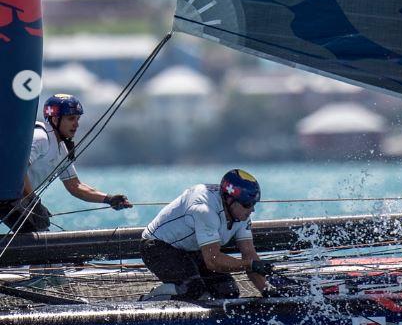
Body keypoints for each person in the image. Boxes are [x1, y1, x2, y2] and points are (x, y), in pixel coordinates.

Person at [0, 93, 132, 234]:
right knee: (39, 238)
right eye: (71, 119)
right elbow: (18, 169)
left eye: (77, 118)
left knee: (41, 235)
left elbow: (75, 186)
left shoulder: (62, 149)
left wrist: (109, 199)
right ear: (55, 119)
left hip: (10, 199)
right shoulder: (40, 138)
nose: (76, 124)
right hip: (6, 197)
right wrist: (33, 202)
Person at [140, 168, 276, 301]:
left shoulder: (241, 215)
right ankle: (148, 301)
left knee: (228, 291)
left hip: (190, 250)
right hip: (156, 247)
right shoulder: (205, 210)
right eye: (247, 204)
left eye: (254, 204)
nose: (252, 210)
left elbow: (249, 254)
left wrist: (268, 291)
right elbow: (213, 261)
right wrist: (250, 265)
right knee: (193, 290)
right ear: (229, 200)